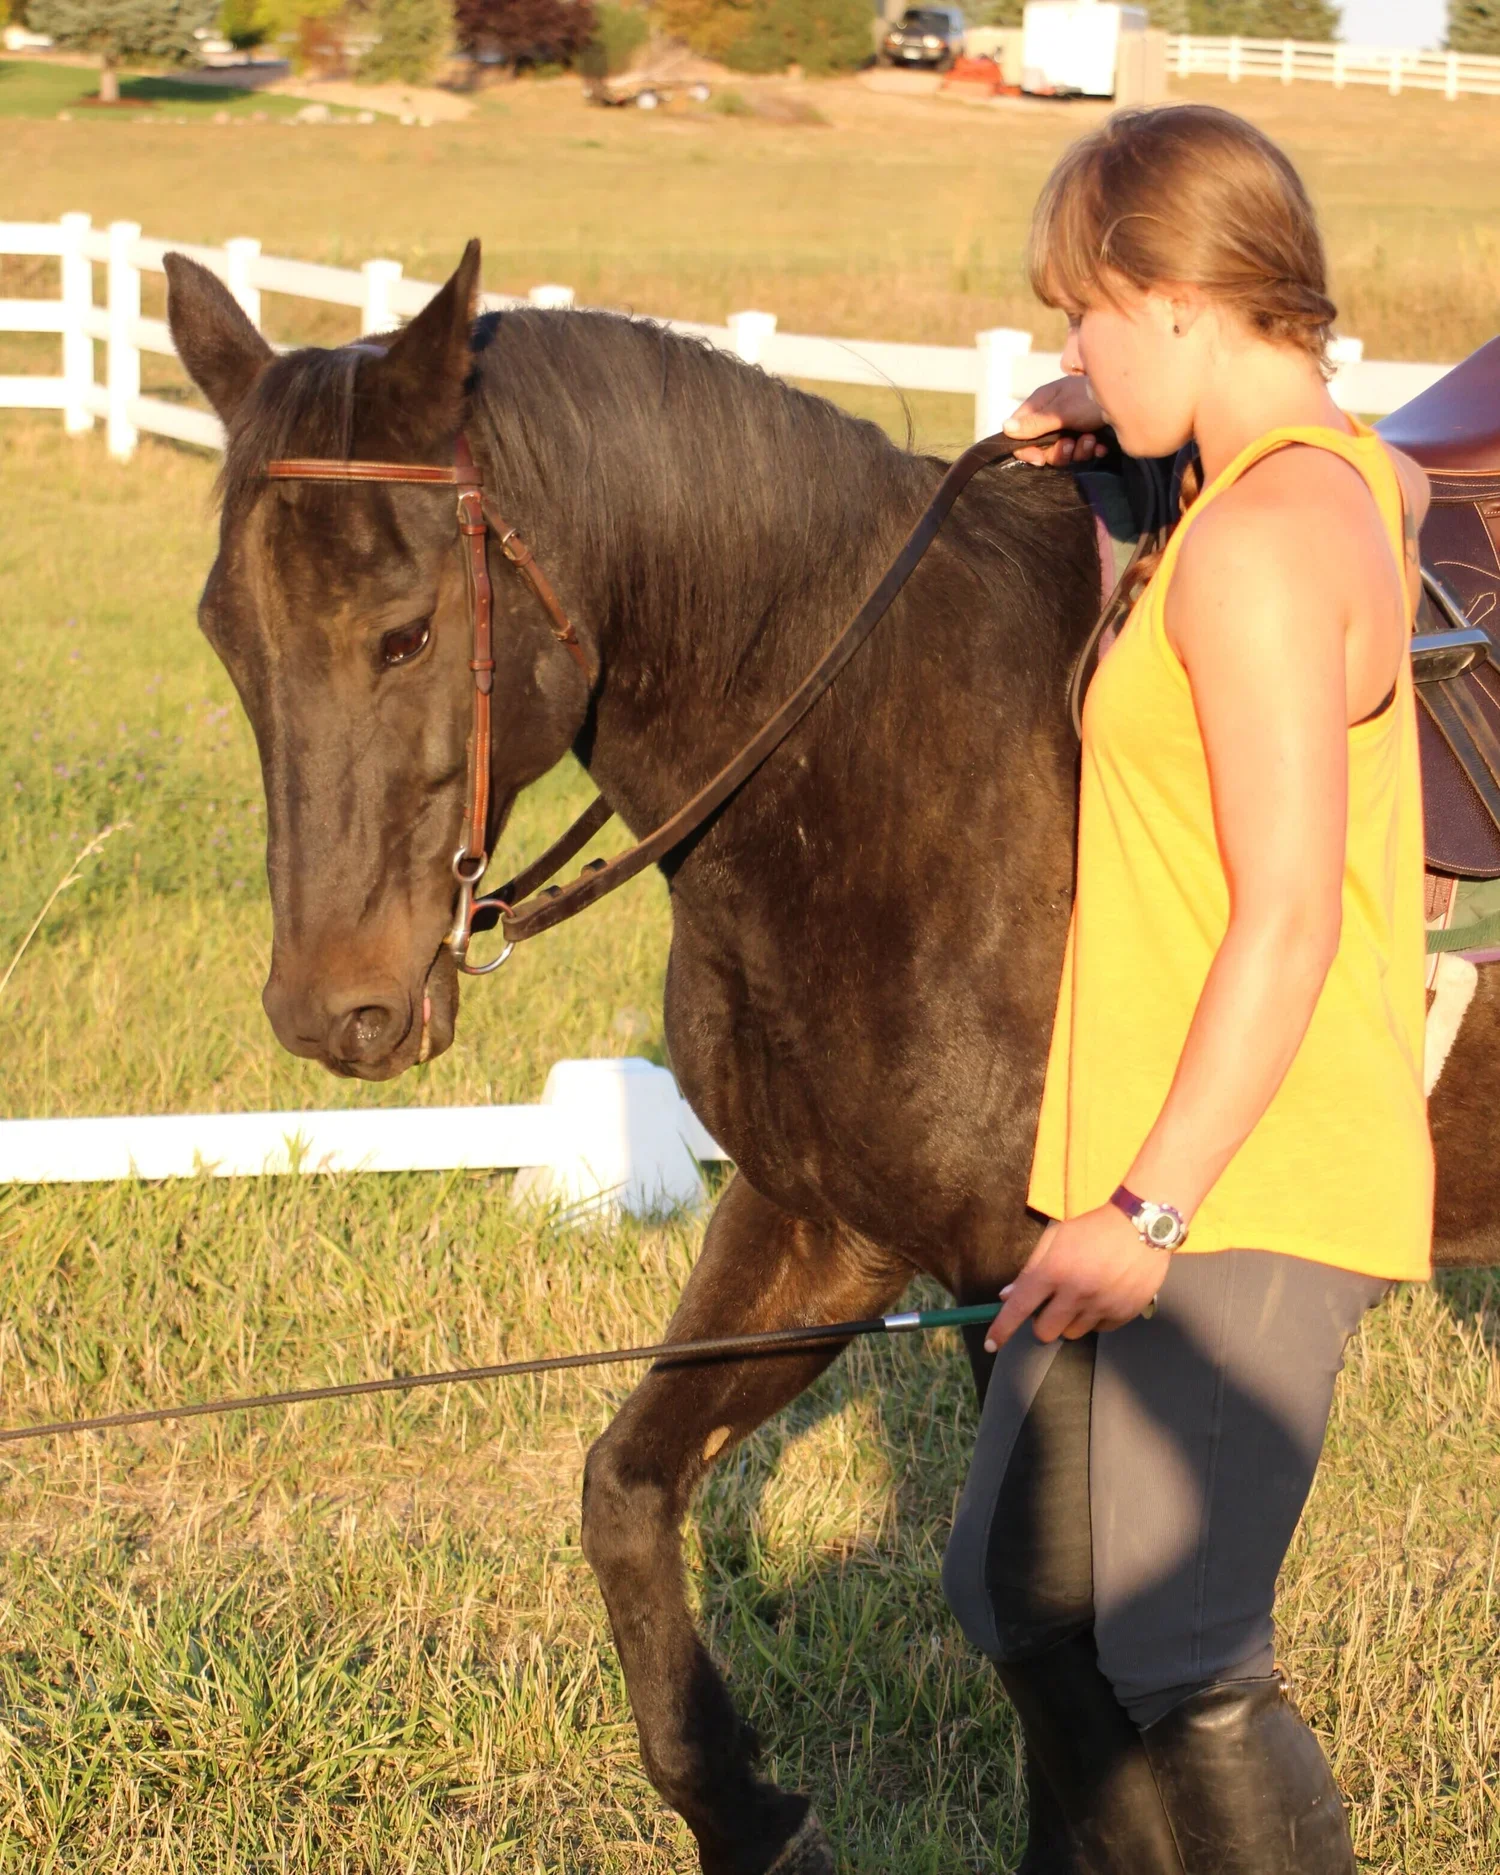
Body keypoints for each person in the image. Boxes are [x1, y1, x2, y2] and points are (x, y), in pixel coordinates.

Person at [940, 104, 1433, 1874]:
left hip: (1243, 1173)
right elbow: (1402, 478)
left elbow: (1291, 913)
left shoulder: (1263, 540)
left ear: (1173, 294)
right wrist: (1129, 456)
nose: (1063, 348)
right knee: (1022, 1591)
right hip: (1144, 1157)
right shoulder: (1303, 484)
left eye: (1083, 311)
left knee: (1180, 1652)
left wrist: (1151, 1204)